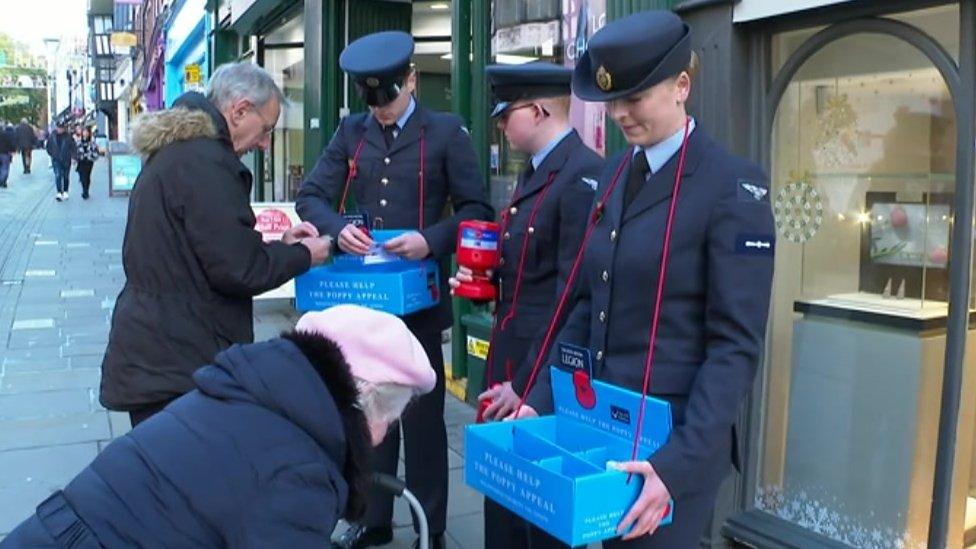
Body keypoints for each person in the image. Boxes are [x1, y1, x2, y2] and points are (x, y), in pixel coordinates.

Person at [513, 11, 776, 548]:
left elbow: (734, 347)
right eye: (611, 101)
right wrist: (537, 397)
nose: (619, 114)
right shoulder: (613, 174)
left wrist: (675, 469)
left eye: (634, 98)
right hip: (600, 426)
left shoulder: (732, 187)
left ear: (682, 86)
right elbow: (586, 302)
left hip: (672, 443)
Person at [2, 305, 437, 548]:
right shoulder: (299, 472)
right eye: (388, 420)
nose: (382, 438)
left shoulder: (251, 394)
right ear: (360, 399)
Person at [296, 31, 492, 549]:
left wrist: (430, 239)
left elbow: (477, 210)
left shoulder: (446, 132)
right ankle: (372, 519)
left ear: (410, 80)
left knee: (425, 426)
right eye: (373, 101)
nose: (381, 112)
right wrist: (338, 228)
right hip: (366, 302)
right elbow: (310, 195)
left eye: (390, 98)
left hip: (420, 305)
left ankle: (433, 528)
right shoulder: (351, 131)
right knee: (368, 415)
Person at [99, 62, 331, 428]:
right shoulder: (206, 163)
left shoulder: (181, 153)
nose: (265, 143)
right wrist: (305, 255)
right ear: (239, 111)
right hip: (180, 359)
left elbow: (209, 248)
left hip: (159, 351)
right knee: (186, 478)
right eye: (267, 129)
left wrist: (281, 244)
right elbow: (240, 270)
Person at [448, 62, 603, 549]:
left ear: (537, 111)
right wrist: (486, 281)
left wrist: (528, 385)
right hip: (512, 360)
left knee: (539, 518)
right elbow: (531, 274)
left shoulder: (582, 176)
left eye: (505, 114)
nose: (499, 125)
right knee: (505, 505)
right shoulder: (539, 171)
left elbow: (571, 295)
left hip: (540, 379)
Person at [45, 119, 74, 200]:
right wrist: (52, 154)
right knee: (58, 175)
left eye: (62, 128)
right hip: (56, 159)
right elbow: (48, 147)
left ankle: (65, 191)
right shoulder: (52, 136)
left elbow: (73, 147)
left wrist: (73, 156)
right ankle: (58, 192)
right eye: (59, 127)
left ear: (64, 128)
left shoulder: (68, 136)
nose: (60, 129)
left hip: (66, 159)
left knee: (65, 176)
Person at [75, 127, 100, 199]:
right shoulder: (79, 141)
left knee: (87, 176)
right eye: (84, 132)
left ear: (89, 133)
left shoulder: (92, 142)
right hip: (81, 161)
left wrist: (92, 157)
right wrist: (76, 158)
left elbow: (96, 151)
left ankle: (86, 190)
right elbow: (75, 151)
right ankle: (84, 191)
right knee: (82, 176)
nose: (85, 133)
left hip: (89, 162)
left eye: (87, 132)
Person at [0, 124, 15, 188]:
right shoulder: (5, 135)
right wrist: (12, 150)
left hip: (4, 152)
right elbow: (10, 143)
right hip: (5, 152)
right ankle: (3, 180)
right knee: (5, 167)